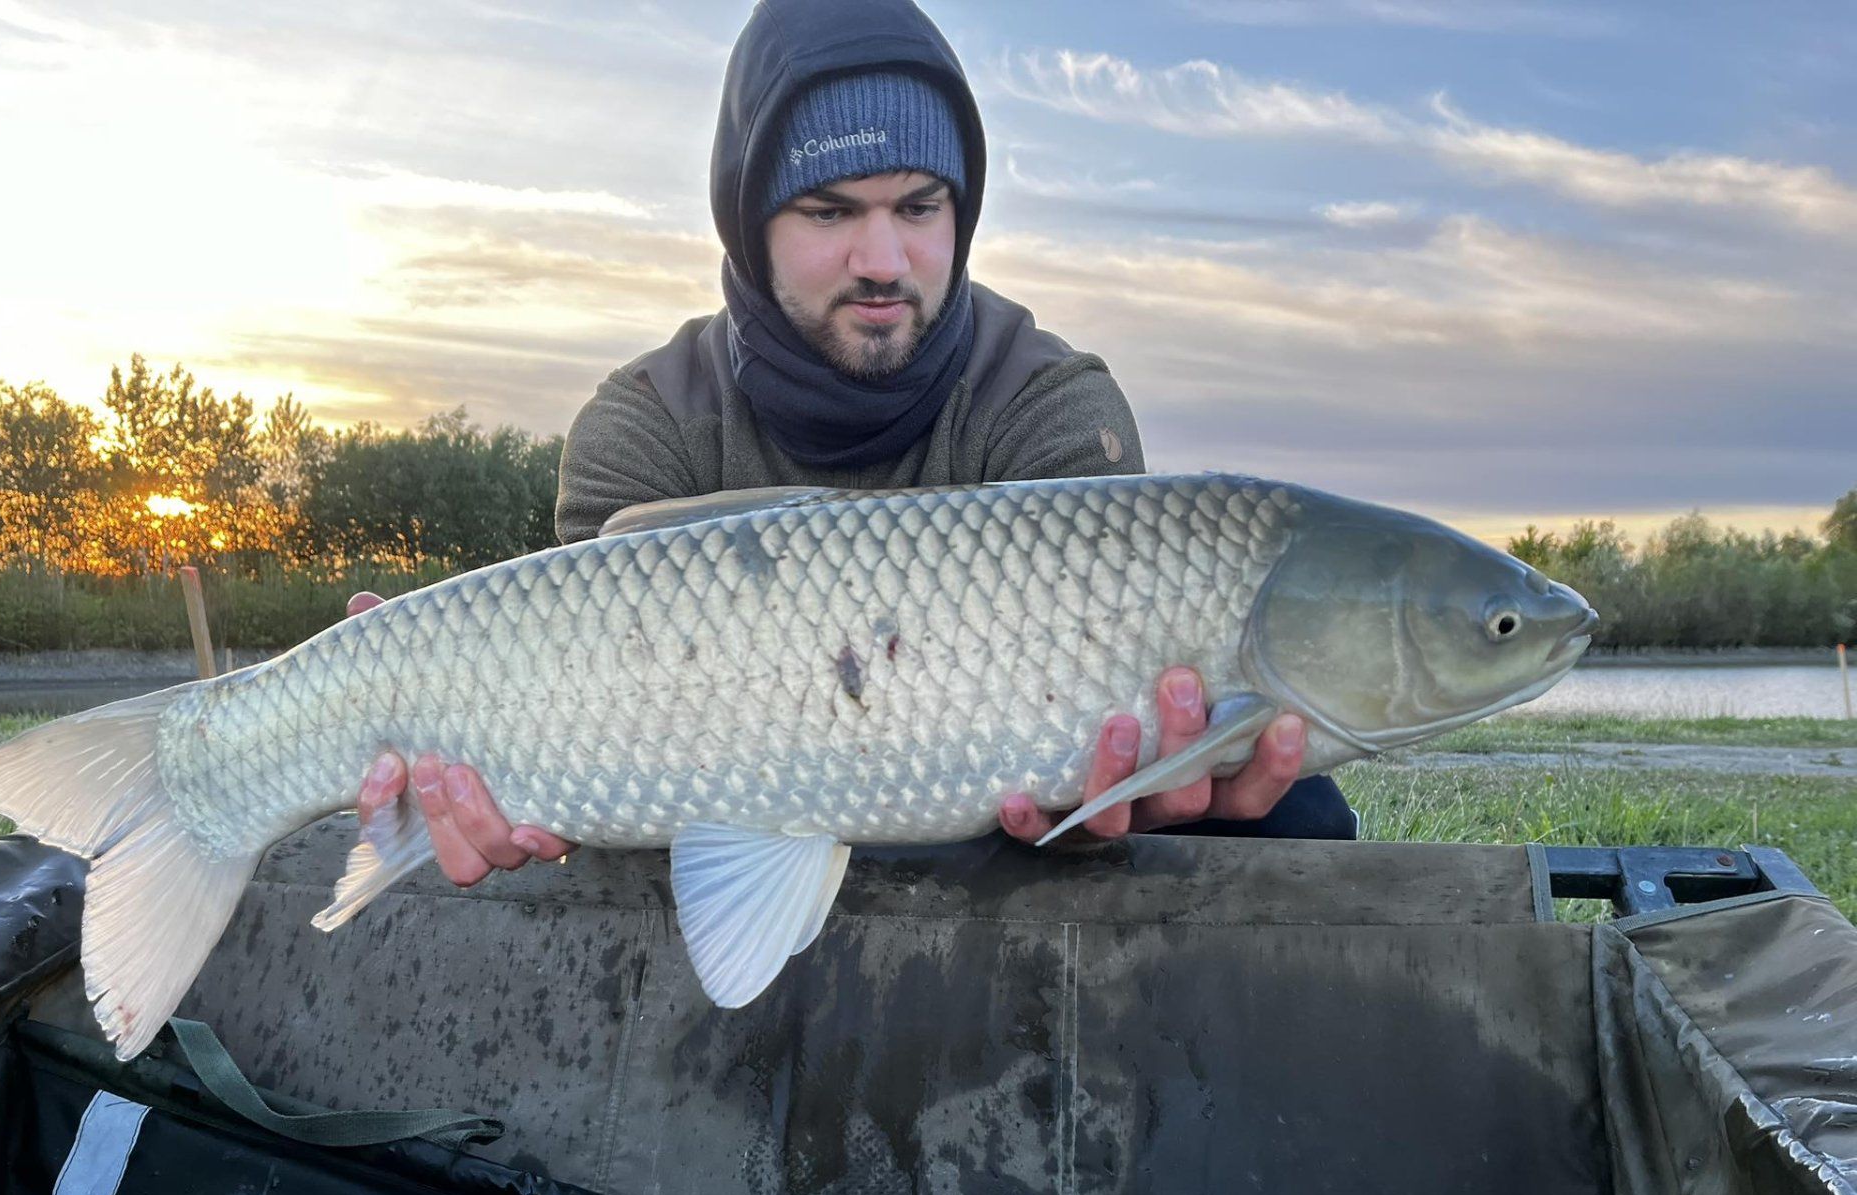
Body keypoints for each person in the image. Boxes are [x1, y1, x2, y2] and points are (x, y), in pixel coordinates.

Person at [350, 0, 1355, 886]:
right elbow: (599, 742)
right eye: (830, 211)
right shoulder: (646, 422)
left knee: (1290, 806)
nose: (883, 261)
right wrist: (485, 768)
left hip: (990, 861)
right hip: (715, 842)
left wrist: (1103, 814)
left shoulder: (1047, 402)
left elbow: (1095, 766)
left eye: (920, 207)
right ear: (750, 224)